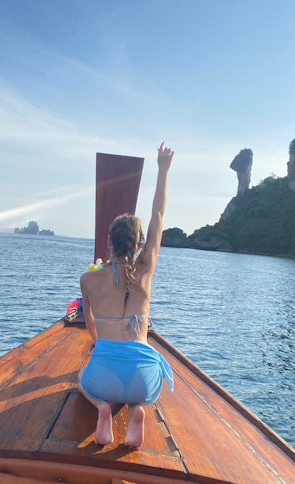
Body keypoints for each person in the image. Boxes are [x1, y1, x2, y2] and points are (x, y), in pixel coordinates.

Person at [78, 142, 175, 449]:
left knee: (83, 375)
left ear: (108, 241)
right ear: (138, 245)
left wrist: (99, 340)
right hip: (143, 380)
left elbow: (91, 325)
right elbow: (158, 213)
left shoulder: (89, 280)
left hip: (103, 376)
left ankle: (102, 409)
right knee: (141, 390)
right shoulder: (146, 271)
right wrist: (163, 169)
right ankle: (137, 410)